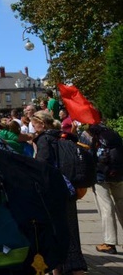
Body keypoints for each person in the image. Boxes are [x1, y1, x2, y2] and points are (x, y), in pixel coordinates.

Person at [32, 111, 86, 275]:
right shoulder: (64, 136)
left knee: (55, 229)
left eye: (35, 124)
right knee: (71, 228)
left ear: (41, 124)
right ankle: (76, 265)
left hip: (53, 191)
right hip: (69, 188)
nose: (33, 128)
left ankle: (58, 269)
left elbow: (42, 166)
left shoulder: (44, 139)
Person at [88, 123, 123, 254]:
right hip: (119, 174)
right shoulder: (113, 135)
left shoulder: (97, 139)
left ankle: (110, 243)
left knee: (106, 207)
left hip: (101, 177)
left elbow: (92, 156)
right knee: (121, 204)